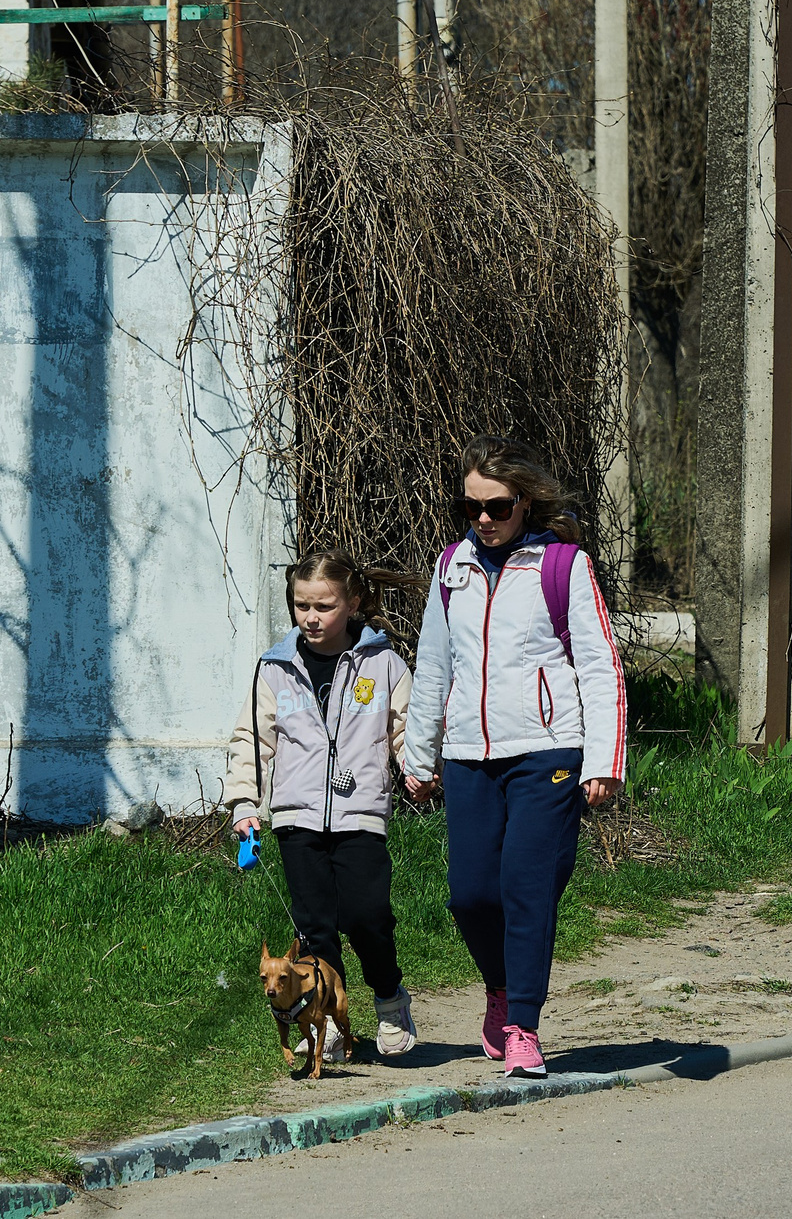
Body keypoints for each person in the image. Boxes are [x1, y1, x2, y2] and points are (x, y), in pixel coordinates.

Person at [403, 436, 627, 1080]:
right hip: (468, 755)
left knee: (526, 887)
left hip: (547, 750)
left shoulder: (563, 566)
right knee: (471, 895)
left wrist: (604, 760)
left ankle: (523, 1026)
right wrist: (419, 756)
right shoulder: (452, 568)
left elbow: (600, 665)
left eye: (497, 507)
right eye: (469, 507)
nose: (483, 519)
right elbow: (433, 668)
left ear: (524, 501)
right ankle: (499, 989)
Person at [224, 551, 419, 1065]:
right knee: (313, 928)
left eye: (324, 606)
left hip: (360, 815)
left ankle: (389, 997)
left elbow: (406, 729)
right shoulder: (274, 669)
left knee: (367, 916)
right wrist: (244, 802)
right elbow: (252, 740)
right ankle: (328, 1021)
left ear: (352, 604)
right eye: (301, 605)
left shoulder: (383, 664)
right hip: (297, 817)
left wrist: (417, 768)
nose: (310, 617)